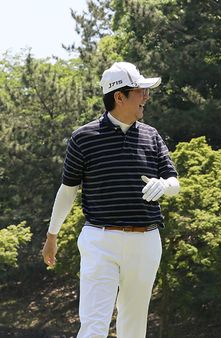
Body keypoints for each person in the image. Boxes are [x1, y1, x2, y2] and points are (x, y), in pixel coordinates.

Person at [42, 62, 180, 338]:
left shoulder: (151, 135)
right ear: (119, 96)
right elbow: (67, 190)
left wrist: (164, 185)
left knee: (133, 327)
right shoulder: (83, 137)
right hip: (100, 240)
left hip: (146, 241)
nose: (146, 97)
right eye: (140, 91)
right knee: (94, 325)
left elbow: (174, 182)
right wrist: (52, 234)